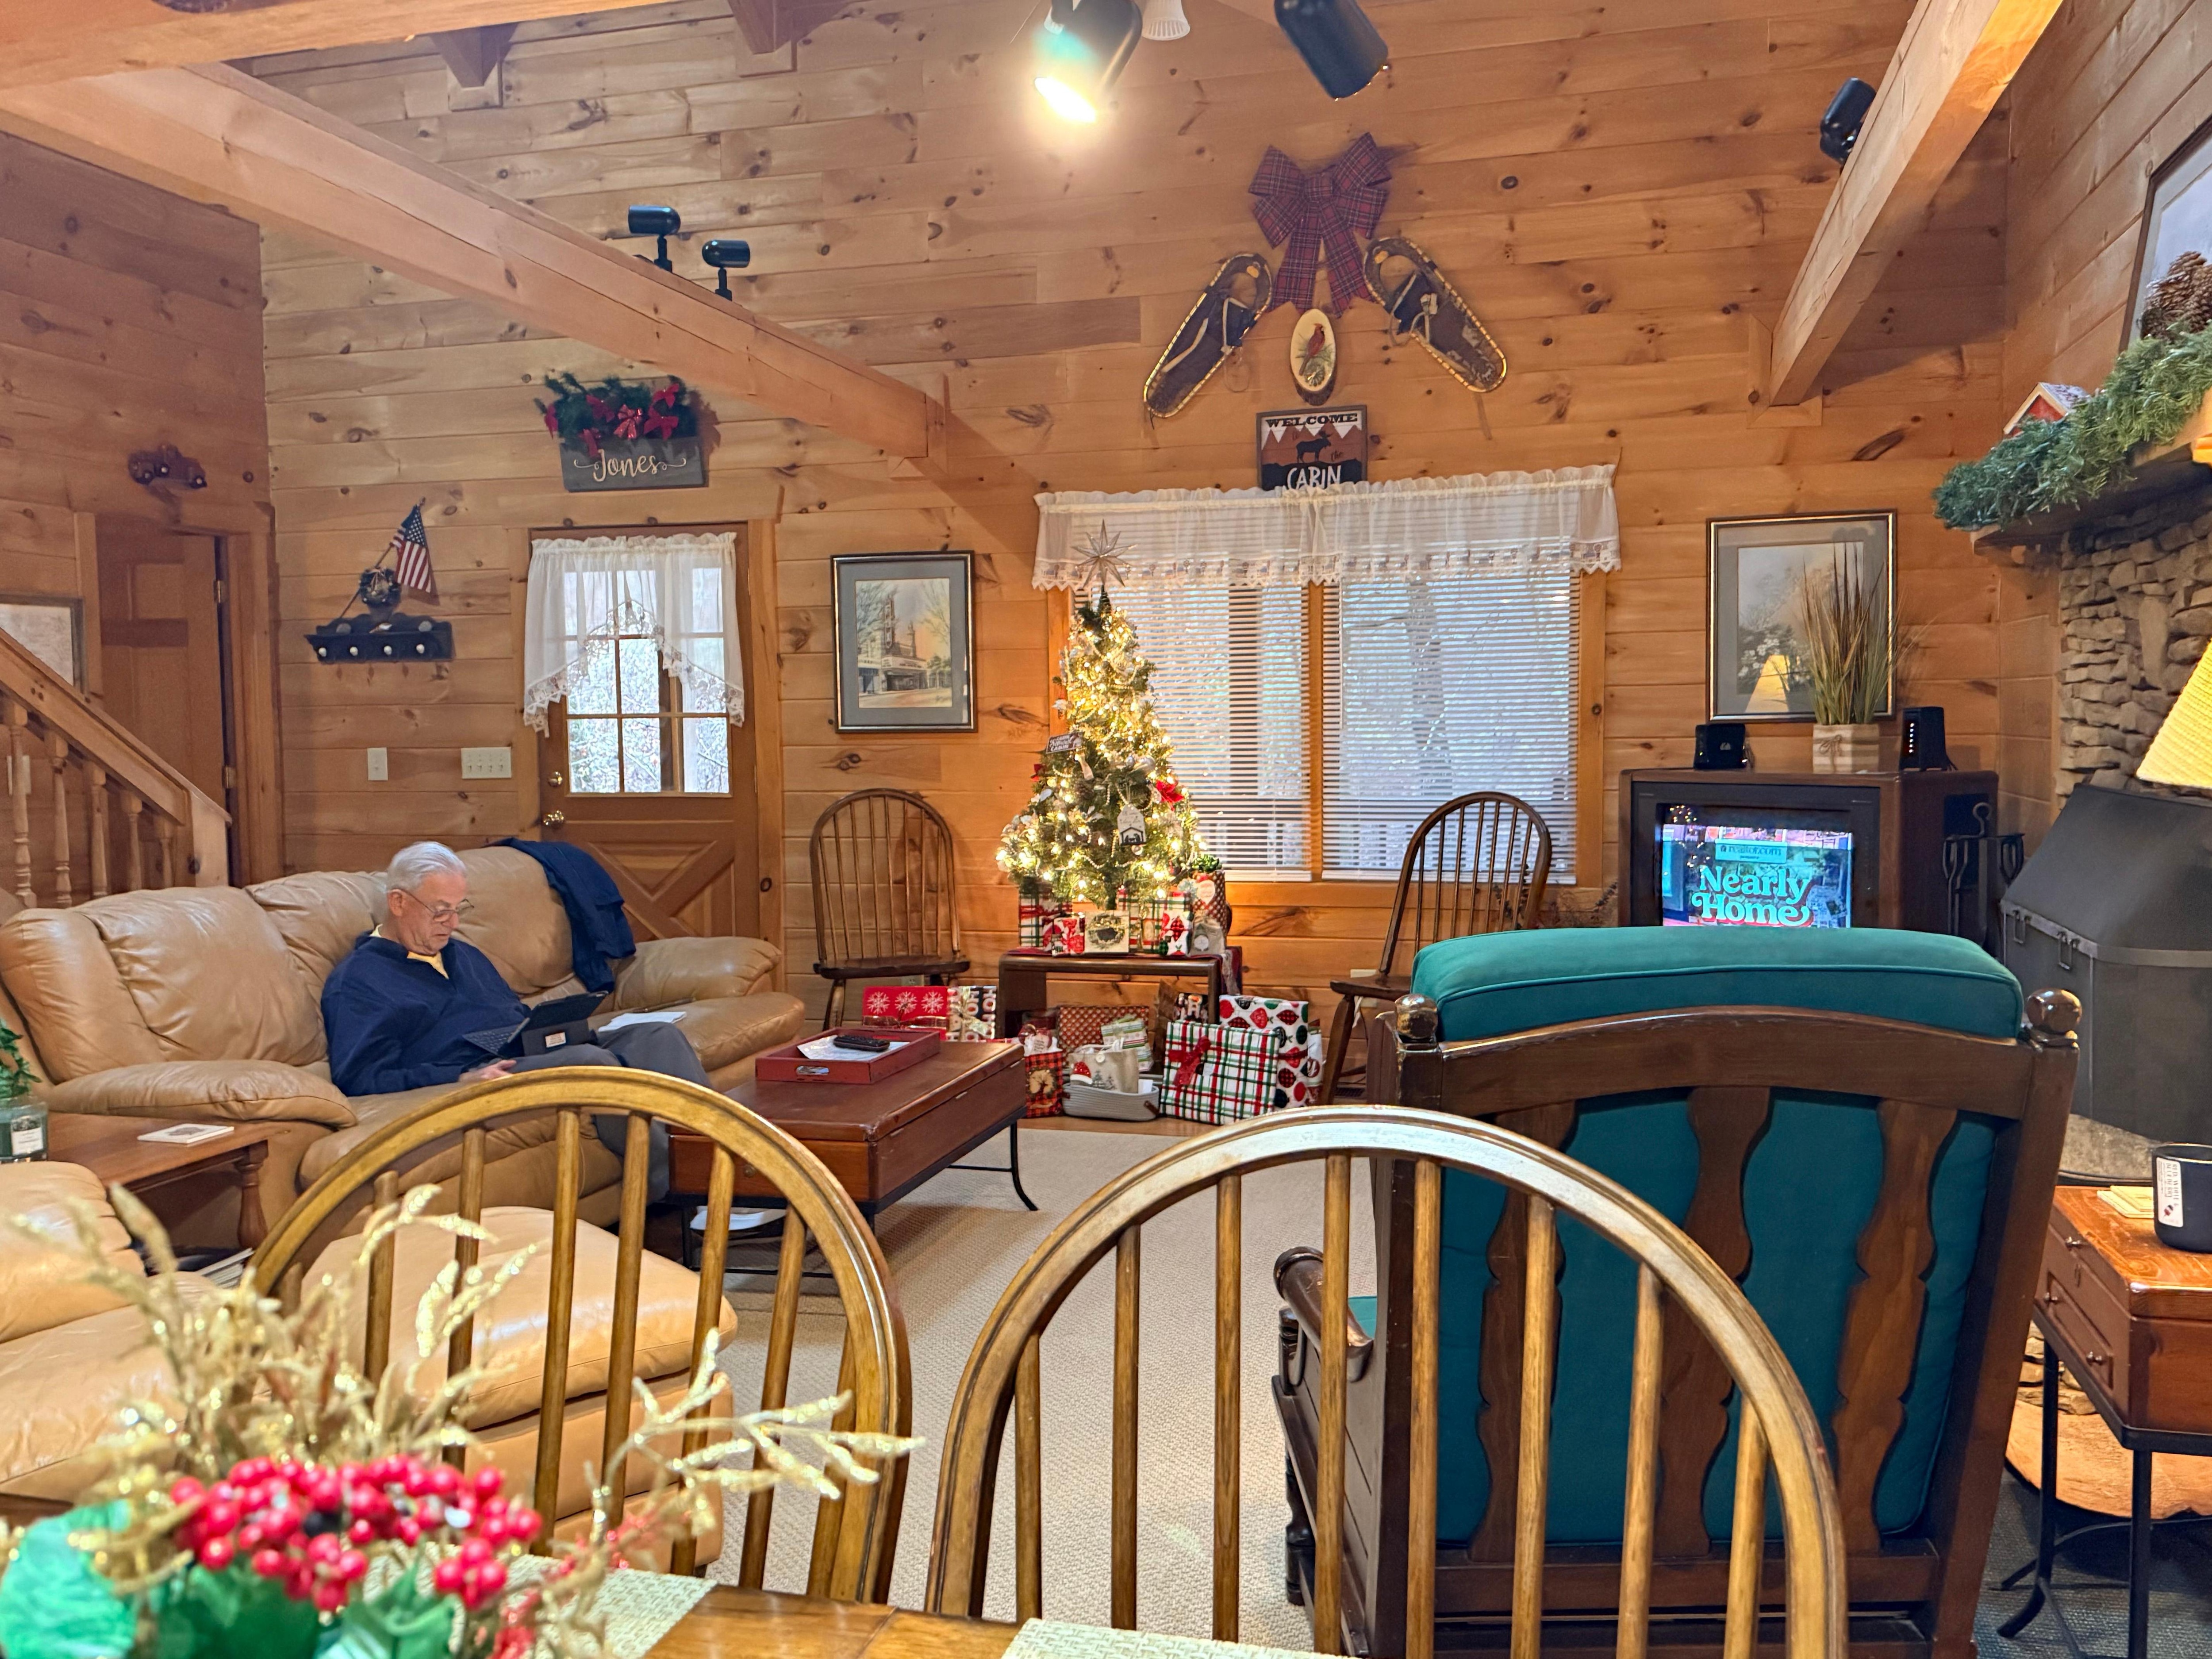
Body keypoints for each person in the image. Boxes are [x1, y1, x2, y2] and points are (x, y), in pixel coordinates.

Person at [320, 841, 708, 1192]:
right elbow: (360, 1077)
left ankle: (725, 1164)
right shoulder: (359, 981)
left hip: (526, 1048)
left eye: (459, 910)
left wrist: (553, 1030)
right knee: (592, 1064)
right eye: (441, 912)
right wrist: (459, 1077)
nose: (453, 924)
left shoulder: (461, 954)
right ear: (399, 902)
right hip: (481, 1073)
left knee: (657, 1037)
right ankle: (684, 1188)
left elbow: (509, 1013)